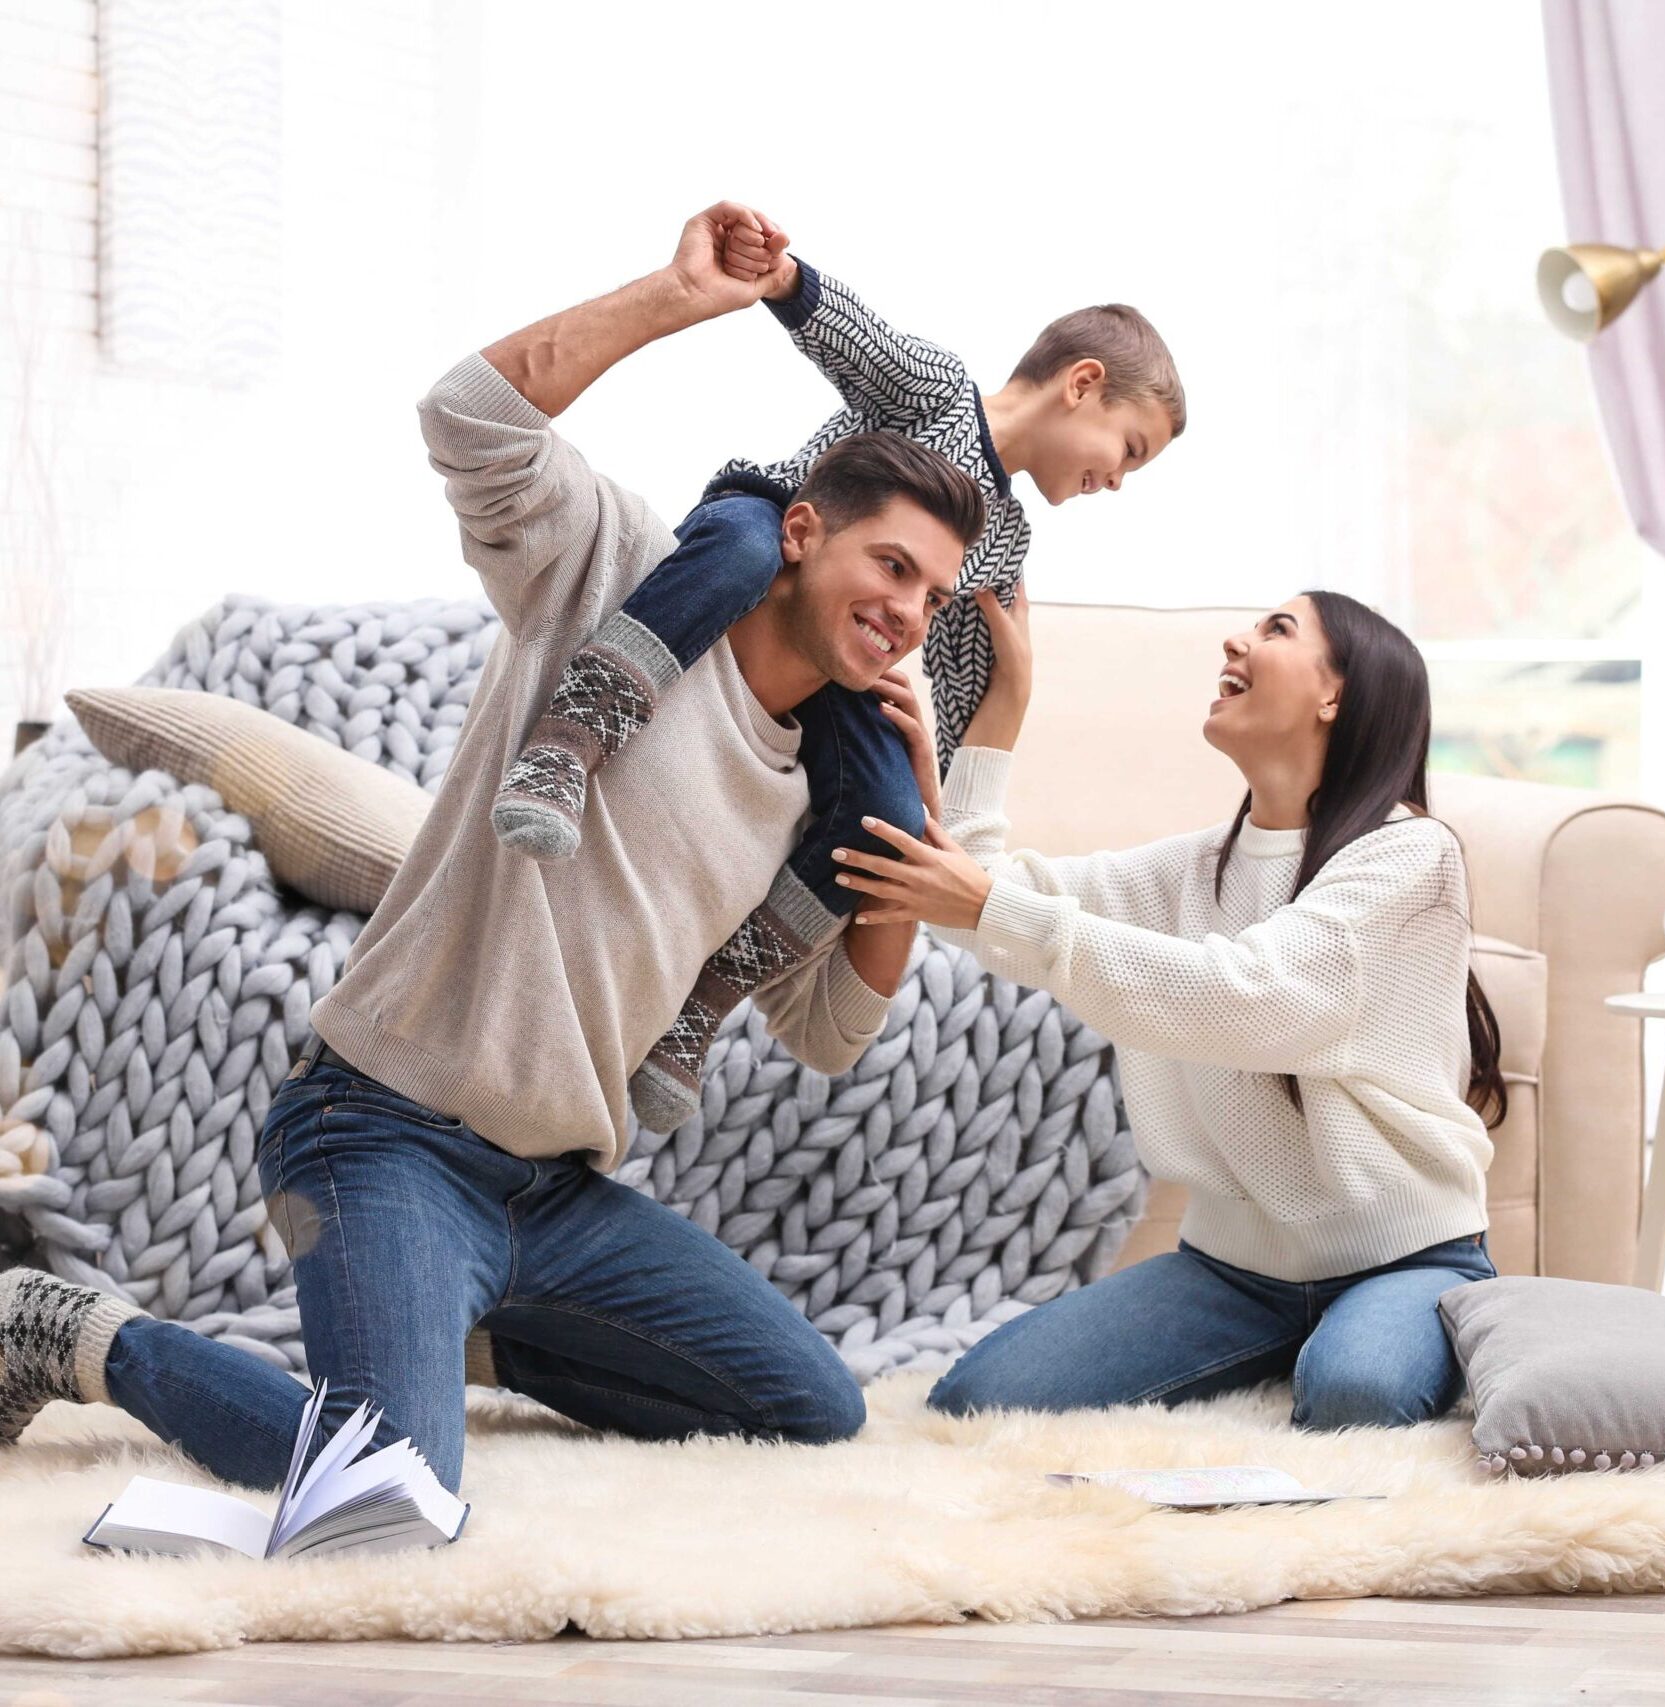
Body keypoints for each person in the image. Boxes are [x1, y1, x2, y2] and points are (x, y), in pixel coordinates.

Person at [0, 202, 985, 1492]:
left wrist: (910, 813)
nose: (908, 614)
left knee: (808, 1407)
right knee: (384, 1484)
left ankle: (464, 1340)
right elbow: (468, 413)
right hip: (382, 1134)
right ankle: (68, 1333)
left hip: (555, 1196)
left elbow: (831, 1032)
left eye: (933, 595)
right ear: (801, 532)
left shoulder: (834, 779)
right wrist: (677, 297)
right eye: (892, 566)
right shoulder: (623, 573)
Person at [493, 210, 1187, 1135]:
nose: (1118, 483)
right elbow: (863, 344)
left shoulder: (1004, 545)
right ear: (1083, 384)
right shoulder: (937, 390)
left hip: (839, 665)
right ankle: (564, 745)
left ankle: (701, 1006)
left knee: (891, 823)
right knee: (742, 552)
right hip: (772, 534)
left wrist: (1004, 703)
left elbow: (961, 692)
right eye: (1127, 451)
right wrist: (779, 277)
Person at [832, 586, 1507, 1429]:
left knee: (1355, 1394)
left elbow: (1254, 998)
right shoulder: (1192, 869)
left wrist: (990, 907)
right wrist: (1003, 707)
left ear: (1335, 694)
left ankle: (1395, 1328)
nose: (1236, 639)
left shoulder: (1411, 854)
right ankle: (1292, 1349)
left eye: (1276, 628)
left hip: (1401, 1258)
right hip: (1229, 1274)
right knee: (979, 1400)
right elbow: (979, 907)